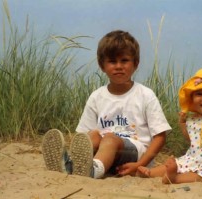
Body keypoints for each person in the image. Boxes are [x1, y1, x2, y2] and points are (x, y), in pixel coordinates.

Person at [42, 30, 172, 179]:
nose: (118, 66)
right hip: (105, 152)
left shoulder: (145, 95)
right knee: (93, 135)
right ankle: (71, 165)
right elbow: (83, 136)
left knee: (109, 138)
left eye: (124, 60)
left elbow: (160, 137)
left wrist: (141, 164)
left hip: (134, 153)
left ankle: (92, 170)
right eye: (112, 61)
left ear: (135, 64)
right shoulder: (97, 96)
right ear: (102, 65)